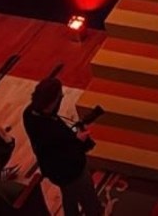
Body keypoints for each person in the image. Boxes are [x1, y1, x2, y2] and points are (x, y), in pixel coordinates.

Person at [22, 77, 100, 216]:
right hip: (71, 171)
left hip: (54, 170)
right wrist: (79, 140)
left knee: (69, 196)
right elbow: (64, 151)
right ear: (52, 102)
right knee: (90, 201)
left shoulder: (29, 113)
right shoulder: (50, 128)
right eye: (60, 96)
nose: (62, 98)